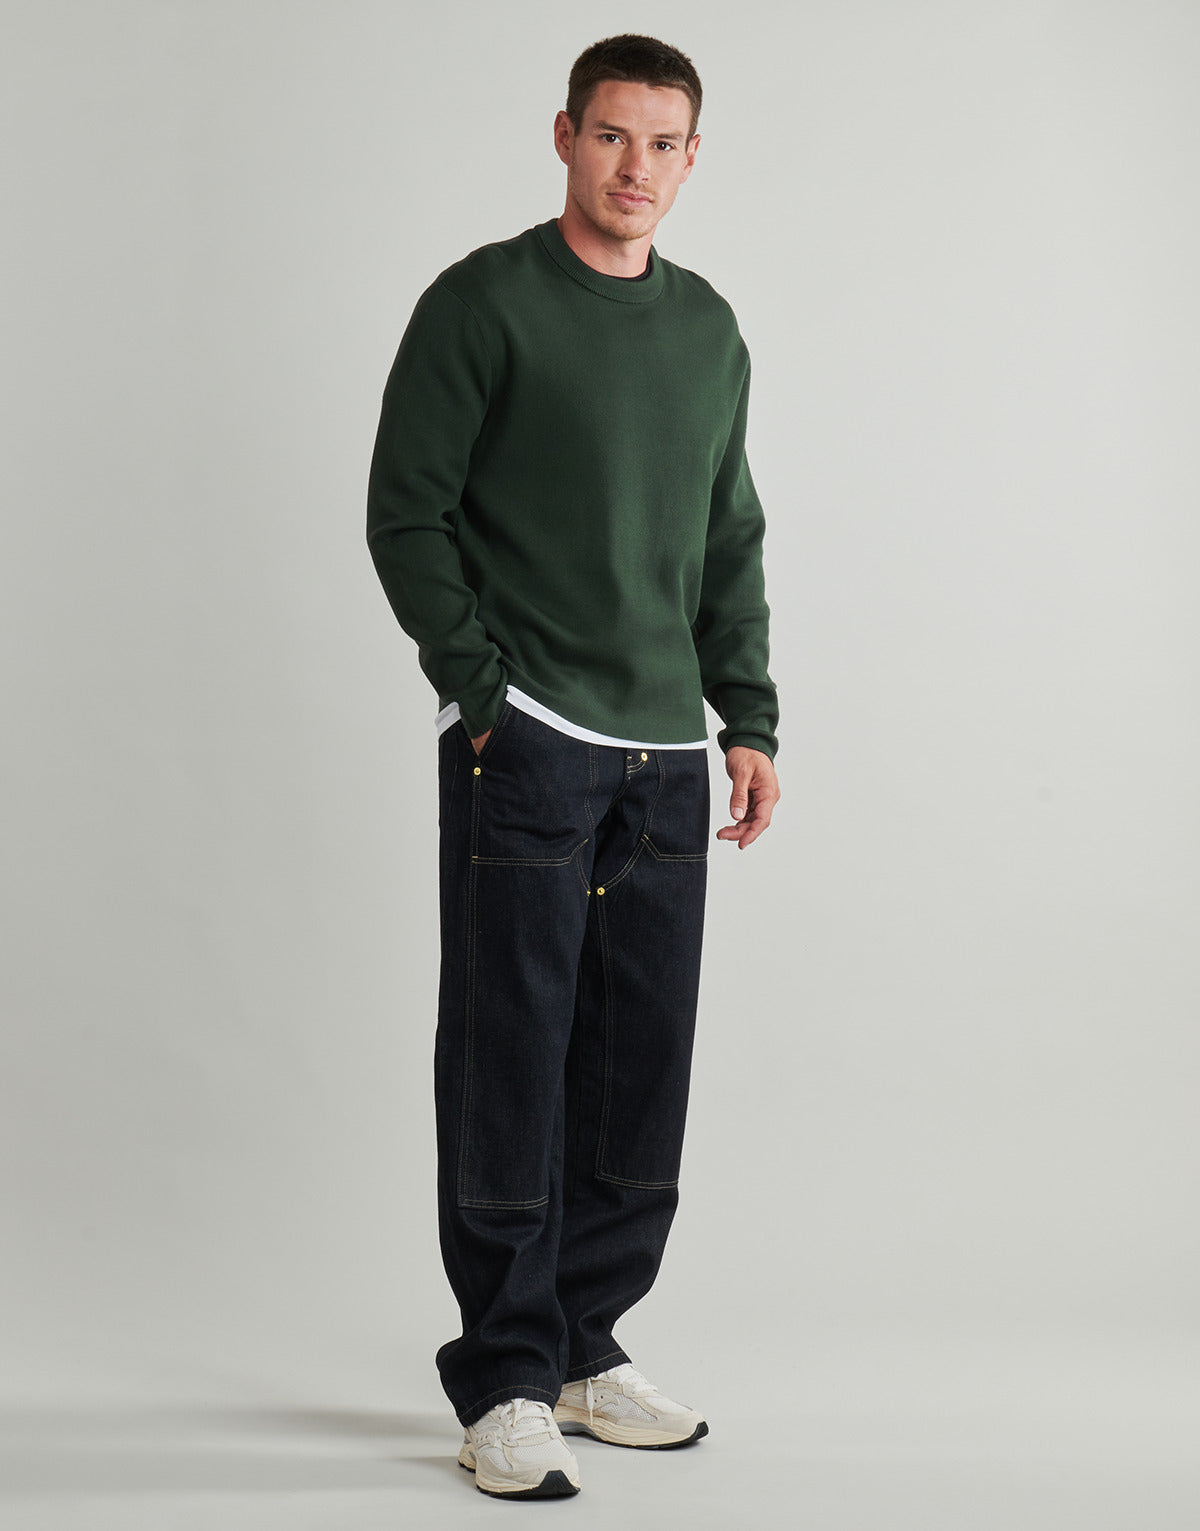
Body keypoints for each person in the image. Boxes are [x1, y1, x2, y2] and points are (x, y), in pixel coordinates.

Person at [366, 32, 780, 1500]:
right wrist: (485, 696)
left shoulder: (709, 328)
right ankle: (505, 1374)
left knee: (635, 1069)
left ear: (692, 157)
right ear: (564, 137)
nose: (635, 168)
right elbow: (406, 513)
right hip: (530, 740)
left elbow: (727, 536)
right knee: (510, 1055)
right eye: (612, 136)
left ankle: (587, 1346)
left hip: (667, 755)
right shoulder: (483, 303)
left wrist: (748, 719)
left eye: (663, 144)